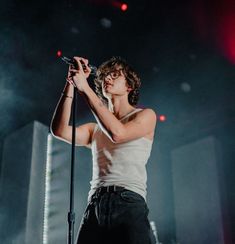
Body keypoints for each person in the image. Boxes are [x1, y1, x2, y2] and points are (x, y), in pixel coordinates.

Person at [50, 56, 157, 244]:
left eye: (115, 75)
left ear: (129, 86)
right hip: (95, 205)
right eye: (106, 74)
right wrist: (71, 84)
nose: (108, 77)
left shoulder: (145, 115)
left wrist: (85, 87)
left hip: (128, 201)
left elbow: (118, 133)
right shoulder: (95, 129)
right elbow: (59, 130)